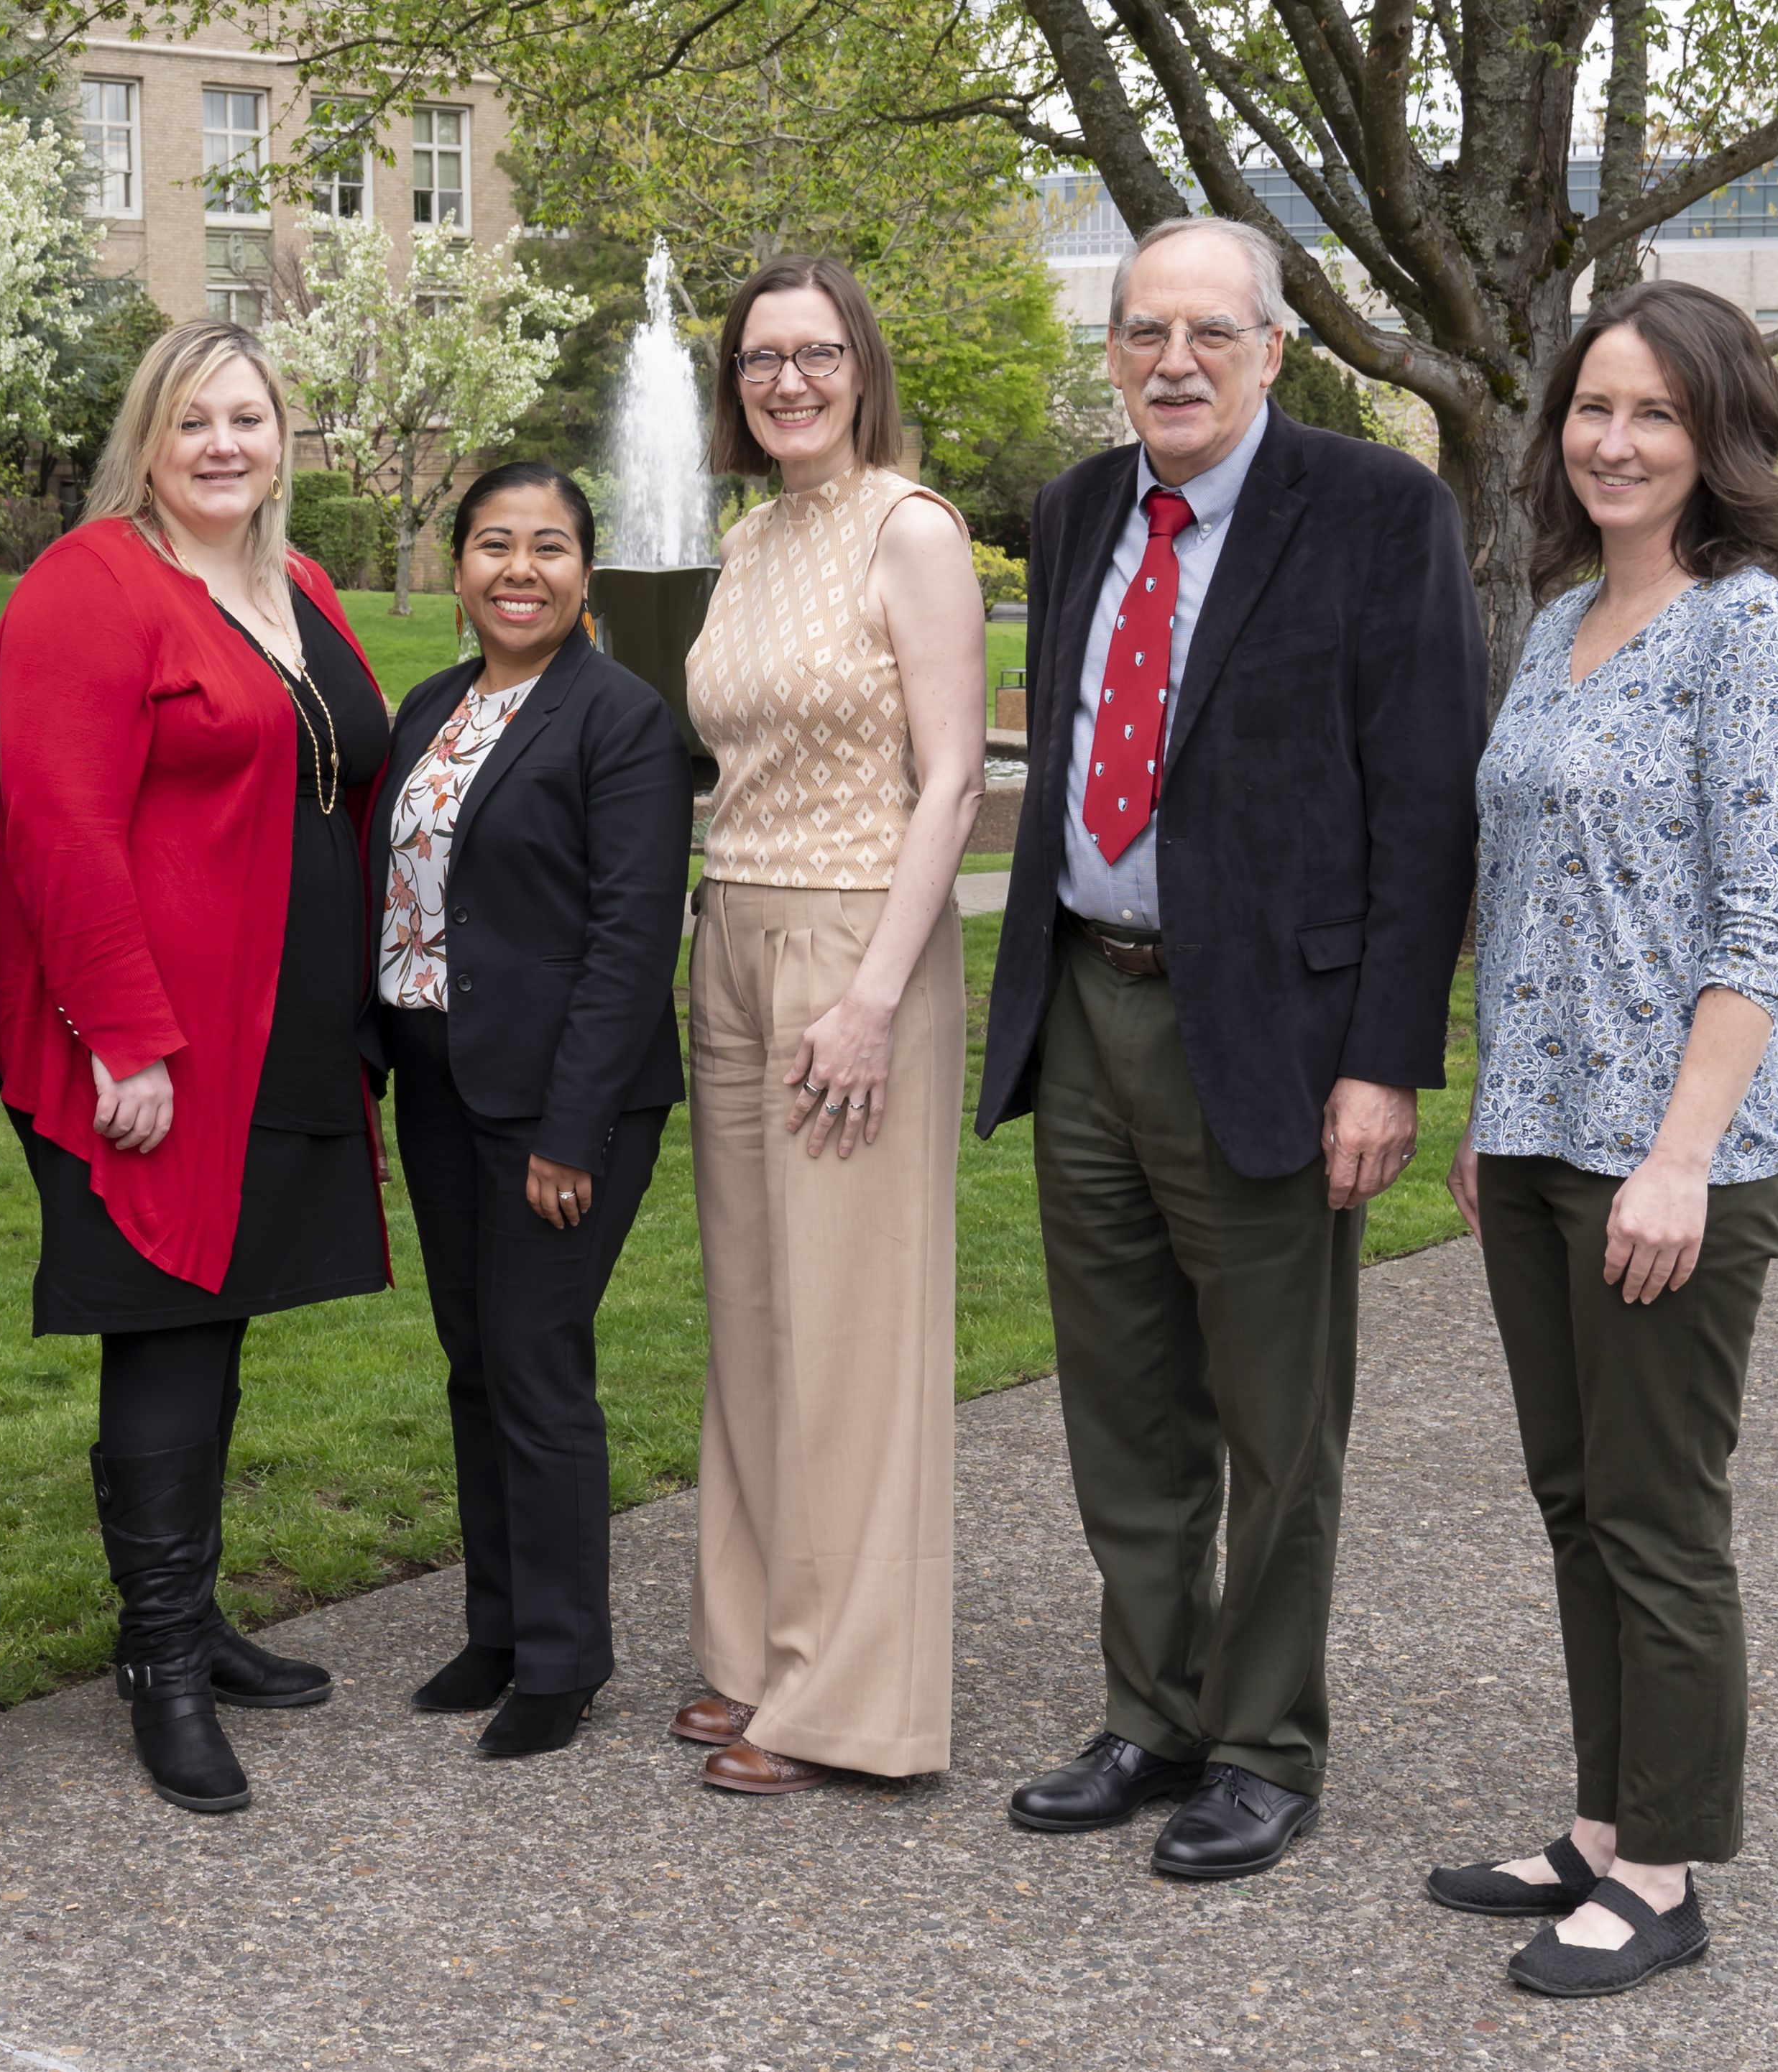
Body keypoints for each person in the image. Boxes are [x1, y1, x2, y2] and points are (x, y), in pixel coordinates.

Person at [978, 217, 1485, 1879]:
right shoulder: (1072, 512)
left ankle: (1263, 1741)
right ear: (1112, 352)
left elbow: (1422, 803)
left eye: (1208, 331)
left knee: (1276, 1420)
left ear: (1271, 347)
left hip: (1270, 1030)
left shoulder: (1374, 512)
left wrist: (1383, 1058)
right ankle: (1152, 1710)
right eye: (1141, 332)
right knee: (1121, 1404)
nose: (1171, 361)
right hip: (1086, 1006)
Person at [1427, 280, 1778, 1998]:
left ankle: (1661, 1869)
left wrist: (1674, 1153)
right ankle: (1598, 1823)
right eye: (1592, 408)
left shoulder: (1752, 633)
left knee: (1658, 1512)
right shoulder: (1557, 617)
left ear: (1716, 434)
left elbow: (1757, 927)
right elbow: (1515, 893)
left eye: (1653, 413)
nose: (1612, 439)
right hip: (1533, 1141)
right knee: (1574, 1494)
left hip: (1677, 1153)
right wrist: (1480, 1108)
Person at [0, 318, 387, 1815]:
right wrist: (123, 1037)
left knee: (220, 1323)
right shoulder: (90, 584)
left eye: (250, 419)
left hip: (271, 1021)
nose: (225, 444)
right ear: (146, 438)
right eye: (193, 420)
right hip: (137, 1031)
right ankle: (157, 1661)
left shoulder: (302, 588)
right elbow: (57, 827)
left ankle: (196, 1617)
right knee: (164, 1319)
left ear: (284, 437)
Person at [674, 256, 987, 1797]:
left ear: (861, 363)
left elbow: (955, 776)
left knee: (852, 1324)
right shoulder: (749, 537)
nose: (787, 380)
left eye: (814, 354)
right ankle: (753, 1650)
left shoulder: (909, 530)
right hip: (726, 928)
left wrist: (871, 996)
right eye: (758, 360)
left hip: (856, 937)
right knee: (754, 1313)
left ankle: (850, 1696)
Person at [376, 463, 692, 1759]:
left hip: (564, 1100)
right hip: (441, 1078)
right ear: (458, 566)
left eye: (549, 546)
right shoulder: (431, 706)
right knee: (473, 1360)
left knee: (538, 1361)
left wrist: (574, 1131)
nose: (520, 569)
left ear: (586, 571)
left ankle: (563, 1661)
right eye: (494, 544)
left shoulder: (622, 722)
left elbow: (629, 940)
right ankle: (498, 1627)